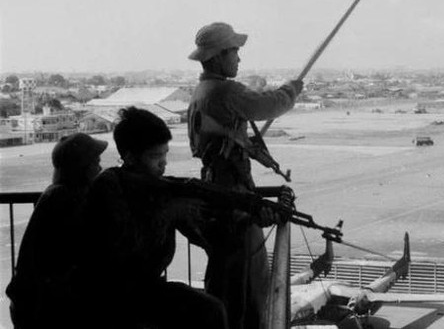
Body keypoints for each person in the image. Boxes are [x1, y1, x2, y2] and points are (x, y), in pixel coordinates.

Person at [187, 22, 302, 329]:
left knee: (228, 285)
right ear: (219, 56)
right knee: (246, 292)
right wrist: (293, 89)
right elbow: (270, 104)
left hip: (221, 194)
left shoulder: (203, 90)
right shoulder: (225, 91)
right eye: (235, 51)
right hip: (233, 201)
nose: (239, 58)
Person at [80, 107, 232, 329]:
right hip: (108, 295)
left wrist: (237, 216)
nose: (163, 163)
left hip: (144, 289)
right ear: (130, 157)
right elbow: (121, 247)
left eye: (165, 155)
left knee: (212, 310)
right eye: (155, 156)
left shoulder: (159, 189)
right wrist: (170, 212)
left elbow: (201, 234)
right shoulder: (109, 186)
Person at [5, 133, 107, 329]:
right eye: (96, 162)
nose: (100, 168)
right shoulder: (67, 201)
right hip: (46, 308)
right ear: (83, 169)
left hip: (32, 303)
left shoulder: (56, 194)